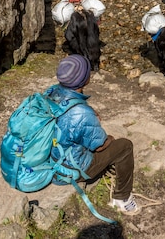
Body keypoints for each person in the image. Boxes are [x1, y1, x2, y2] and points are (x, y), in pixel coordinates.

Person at [45, 54, 141, 215]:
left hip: (51, 159)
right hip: (70, 170)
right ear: (84, 79)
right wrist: (110, 139)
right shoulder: (81, 113)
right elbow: (100, 146)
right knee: (124, 146)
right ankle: (122, 198)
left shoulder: (52, 92)